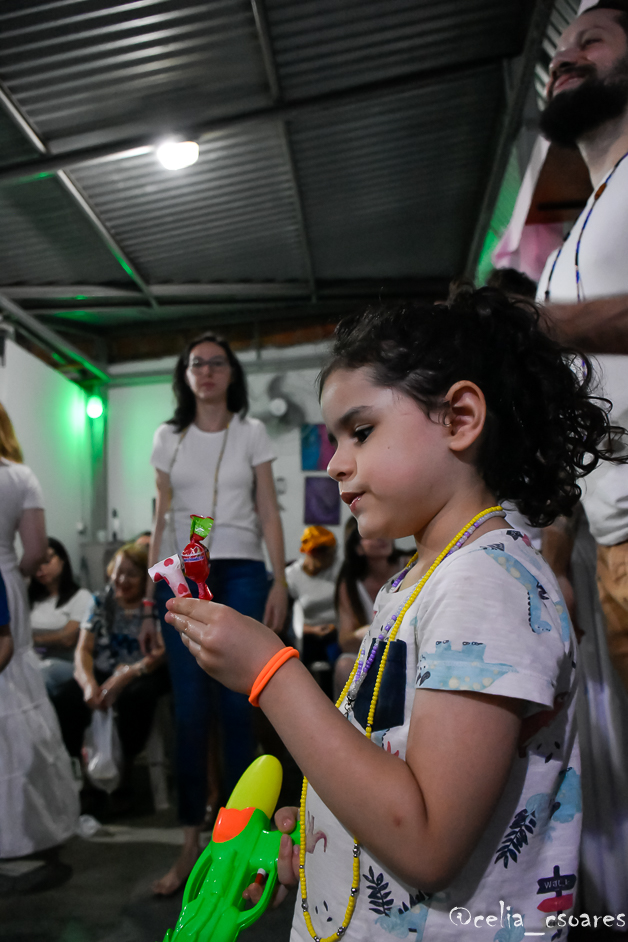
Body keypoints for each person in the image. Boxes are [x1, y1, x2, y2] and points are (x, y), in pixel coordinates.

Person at [162, 288, 625, 940]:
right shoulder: (420, 580)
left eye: (361, 431)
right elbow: (391, 765)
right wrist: (327, 828)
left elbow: (428, 842)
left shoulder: (485, 585)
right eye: (334, 439)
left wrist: (273, 673)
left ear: (459, 418)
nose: (334, 464)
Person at [537, 0, 628, 912]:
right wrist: (558, 539)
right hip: (603, 535)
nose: (566, 57)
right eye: (560, 49)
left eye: (591, 40)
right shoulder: (568, 245)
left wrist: (537, 328)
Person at [147, 331, 288, 895]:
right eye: (196, 363)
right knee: (189, 713)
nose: (206, 371)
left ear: (232, 373)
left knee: (237, 710)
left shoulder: (251, 432)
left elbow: (268, 510)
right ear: (185, 375)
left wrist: (280, 580)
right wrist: (148, 595)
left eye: (216, 363)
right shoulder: (168, 437)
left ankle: (238, 852)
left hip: (243, 571)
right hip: (183, 574)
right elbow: (159, 512)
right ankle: (190, 844)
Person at [0, 402, 79, 859]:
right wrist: (17, 571)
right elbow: (35, 551)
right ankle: (25, 827)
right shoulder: (19, 478)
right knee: (16, 687)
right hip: (5, 581)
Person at [52, 543, 169, 801]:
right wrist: (88, 684)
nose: (122, 580)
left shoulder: (154, 604)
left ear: (145, 578)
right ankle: (87, 780)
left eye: (132, 574)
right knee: (65, 699)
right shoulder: (100, 601)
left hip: (143, 671)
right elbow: (83, 650)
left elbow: (161, 652)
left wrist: (124, 676)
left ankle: (124, 777)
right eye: (118, 572)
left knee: (136, 698)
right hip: (104, 669)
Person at [333, 518, 407, 697]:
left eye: (384, 531)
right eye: (371, 535)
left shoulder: (409, 565)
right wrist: (372, 633)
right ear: (357, 548)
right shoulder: (351, 584)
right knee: (344, 666)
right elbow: (345, 641)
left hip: (409, 645)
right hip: (372, 653)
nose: (382, 538)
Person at [29, 537, 93, 697]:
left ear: (62, 560)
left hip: (67, 664)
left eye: (47, 561)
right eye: (36, 564)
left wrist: (30, 639)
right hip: (32, 660)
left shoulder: (81, 597)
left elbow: (68, 638)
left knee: (40, 673)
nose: (41, 568)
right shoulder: (30, 600)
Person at [286, 526, 340, 668]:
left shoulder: (339, 570)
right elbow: (286, 619)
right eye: (330, 554)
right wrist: (312, 629)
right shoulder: (291, 576)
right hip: (305, 635)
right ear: (313, 553)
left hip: (336, 632)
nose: (334, 557)